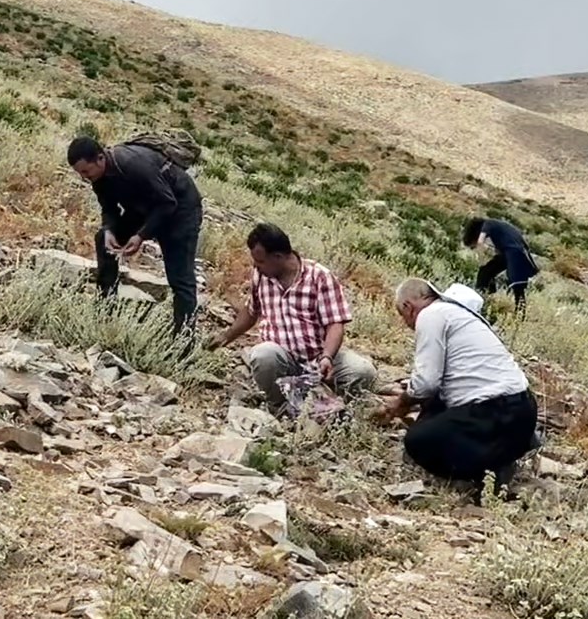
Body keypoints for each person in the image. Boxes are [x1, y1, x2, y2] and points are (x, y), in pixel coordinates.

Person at [379, 278, 538, 493]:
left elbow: (427, 382)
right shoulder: (460, 315)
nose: (407, 324)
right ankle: (509, 448)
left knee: (418, 441)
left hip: (494, 411)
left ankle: (483, 471)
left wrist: (401, 403)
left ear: (408, 307)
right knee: (435, 410)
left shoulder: (430, 314)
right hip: (524, 409)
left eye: (403, 315)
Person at [209, 223, 376, 414]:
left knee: (363, 371)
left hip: (319, 356)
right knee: (263, 355)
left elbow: (335, 324)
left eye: (261, 261)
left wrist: (327, 357)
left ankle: (341, 410)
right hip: (282, 358)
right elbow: (252, 311)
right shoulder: (261, 276)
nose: (256, 266)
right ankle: (280, 407)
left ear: (278, 257)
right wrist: (226, 336)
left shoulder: (319, 276)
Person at [68, 135, 203, 334]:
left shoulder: (133, 165)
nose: (84, 177)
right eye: (80, 173)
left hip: (181, 210)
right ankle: (105, 308)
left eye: (86, 171)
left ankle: (184, 338)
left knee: (180, 278)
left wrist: (141, 235)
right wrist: (109, 230)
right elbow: (109, 208)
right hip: (145, 208)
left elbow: (167, 203)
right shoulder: (98, 177)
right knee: (102, 241)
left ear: (100, 158)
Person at [464, 216, 539, 311]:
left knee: (517, 287)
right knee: (486, 272)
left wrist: (481, 260)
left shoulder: (488, 224)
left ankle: (519, 315)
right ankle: (487, 300)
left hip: (515, 252)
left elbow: (480, 242)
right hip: (514, 252)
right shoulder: (497, 226)